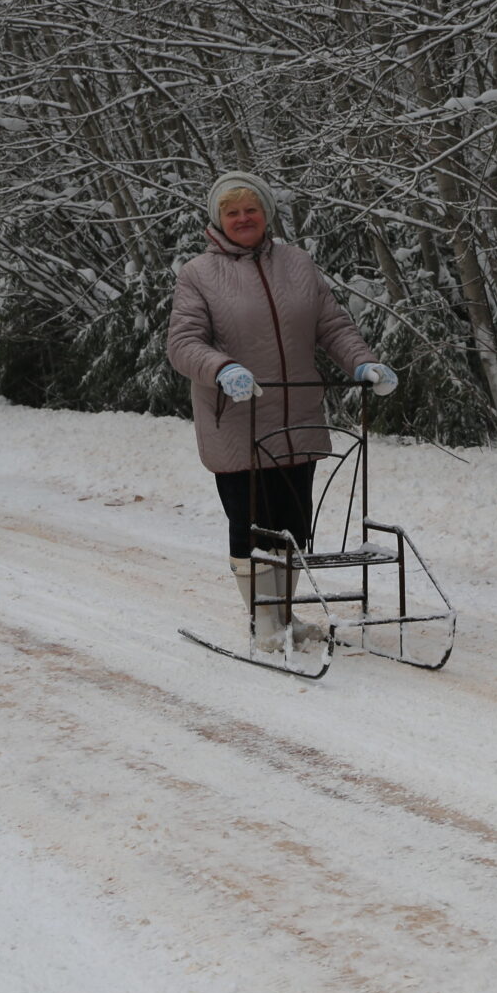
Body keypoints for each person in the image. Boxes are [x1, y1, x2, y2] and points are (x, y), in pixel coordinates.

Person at [168, 170, 397, 648]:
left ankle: (285, 617)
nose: (243, 218)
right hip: (236, 420)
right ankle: (264, 624)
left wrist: (364, 364)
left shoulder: (297, 263)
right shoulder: (198, 274)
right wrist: (222, 367)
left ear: (266, 212)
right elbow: (183, 344)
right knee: (251, 521)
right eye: (232, 211)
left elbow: (332, 326)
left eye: (250, 208)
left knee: (293, 524)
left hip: (298, 417)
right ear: (217, 219)